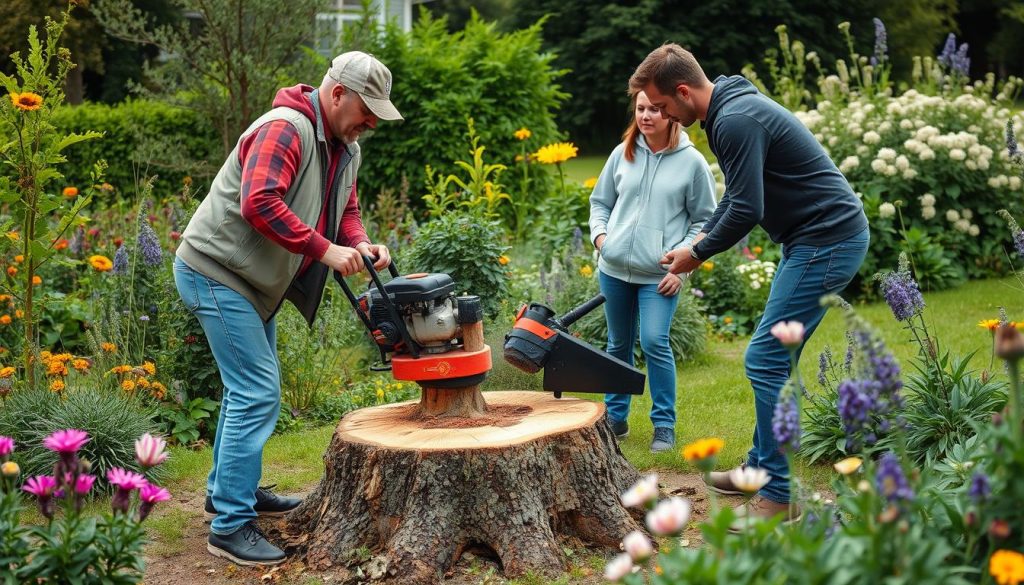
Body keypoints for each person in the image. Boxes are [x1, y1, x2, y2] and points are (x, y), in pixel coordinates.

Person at [173, 51, 401, 566]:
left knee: (245, 391)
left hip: (254, 282)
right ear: (336, 92)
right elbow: (259, 202)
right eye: (367, 110)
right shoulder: (287, 128)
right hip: (216, 272)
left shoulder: (345, 146)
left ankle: (228, 492)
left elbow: (347, 212)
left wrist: (361, 245)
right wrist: (324, 250)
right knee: (256, 391)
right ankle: (230, 526)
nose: (370, 123)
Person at [629, 44, 869, 523]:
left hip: (827, 240)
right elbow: (737, 198)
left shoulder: (736, 119)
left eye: (661, 106)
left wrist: (696, 253)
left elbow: (747, 208)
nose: (659, 115)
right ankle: (759, 471)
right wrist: (698, 240)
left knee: (763, 358)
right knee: (779, 357)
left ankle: (779, 495)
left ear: (682, 91)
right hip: (814, 240)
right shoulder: (731, 110)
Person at [589, 90, 717, 454]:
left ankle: (664, 425)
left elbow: (705, 219)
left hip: (659, 276)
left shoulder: (691, 163)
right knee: (618, 343)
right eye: (641, 108)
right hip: (613, 269)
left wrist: (683, 266)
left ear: (671, 114)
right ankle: (616, 418)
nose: (646, 116)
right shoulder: (622, 153)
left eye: (655, 110)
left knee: (654, 342)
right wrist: (601, 238)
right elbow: (600, 202)